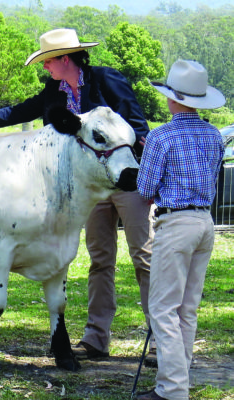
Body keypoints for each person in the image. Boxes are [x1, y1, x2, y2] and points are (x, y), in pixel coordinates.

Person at [0, 28, 155, 362]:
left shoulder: (107, 80)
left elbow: (138, 126)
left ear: (65, 59)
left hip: (127, 180)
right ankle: (96, 339)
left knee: (144, 257)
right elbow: (15, 113)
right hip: (90, 187)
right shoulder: (53, 93)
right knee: (100, 260)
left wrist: (145, 175)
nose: (45, 67)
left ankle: (159, 339)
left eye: (48, 61)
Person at [135, 60, 225, 400]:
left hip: (175, 224)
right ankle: (178, 382)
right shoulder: (214, 135)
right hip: (204, 222)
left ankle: (172, 389)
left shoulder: (160, 136)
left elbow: (145, 190)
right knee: (187, 308)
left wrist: (151, 161)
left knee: (163, 309)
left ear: (173, 98)